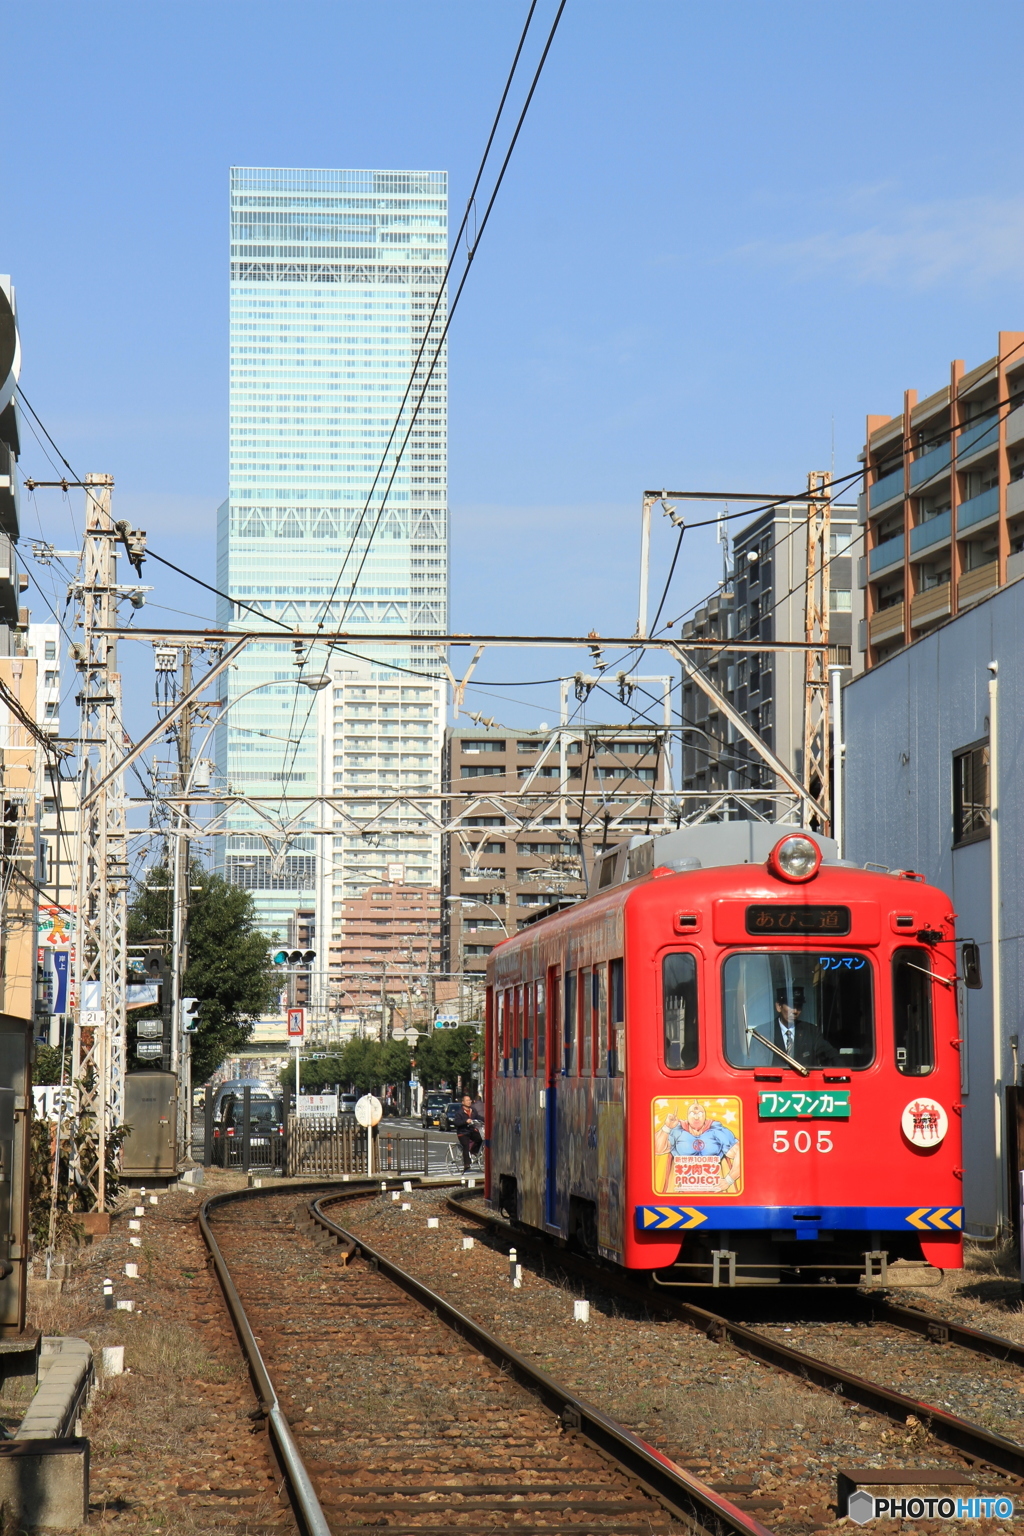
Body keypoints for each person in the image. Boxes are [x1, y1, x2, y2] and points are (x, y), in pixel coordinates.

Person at [773, 986, 839, 1067]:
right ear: (779, 1006)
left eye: (799, 1006)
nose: (795, 1011)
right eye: (791, 1006)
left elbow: (831, 1055)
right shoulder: (764, 1032)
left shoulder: (811, 1032)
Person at [451, 1094, 483, 1170]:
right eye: (467, 1100)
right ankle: (466, 1164)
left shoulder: (473, 1110)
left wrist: (486, 1120)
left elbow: (478, 1117)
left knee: (480, 1138)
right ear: (463, 1102)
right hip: (463, 1132)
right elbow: (456, 1122)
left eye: (470, 1100)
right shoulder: (459, 1112)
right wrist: (465, 1121)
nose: (469, 1102)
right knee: (466, 1145)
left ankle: (474, 1151)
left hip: (471, 1131)